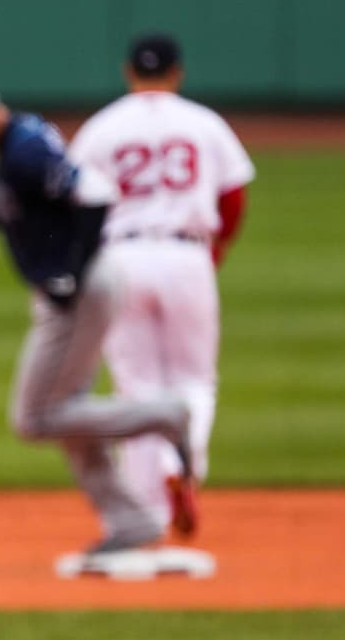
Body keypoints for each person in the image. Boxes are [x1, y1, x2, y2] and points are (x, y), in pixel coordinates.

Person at [0, 74, 201, 579]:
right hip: (83, 287)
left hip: (82, 291)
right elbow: (41, 209)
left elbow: (95, 195)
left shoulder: (24, 148)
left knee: (36, 417)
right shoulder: (22, 140)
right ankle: (131, 521)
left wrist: (71, 271)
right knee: (71, 415)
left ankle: (165, 416)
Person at [68, 33, 255, 539]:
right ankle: (183, 467)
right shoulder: (203, 122)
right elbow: (233, 196)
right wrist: (214, 252)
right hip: (186, 253)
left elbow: (76, 202)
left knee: (137, 387)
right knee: (195, 380)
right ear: (177, 72)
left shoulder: (102, 127)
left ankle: (146, 508)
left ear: (130, 71)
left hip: (120, 256)